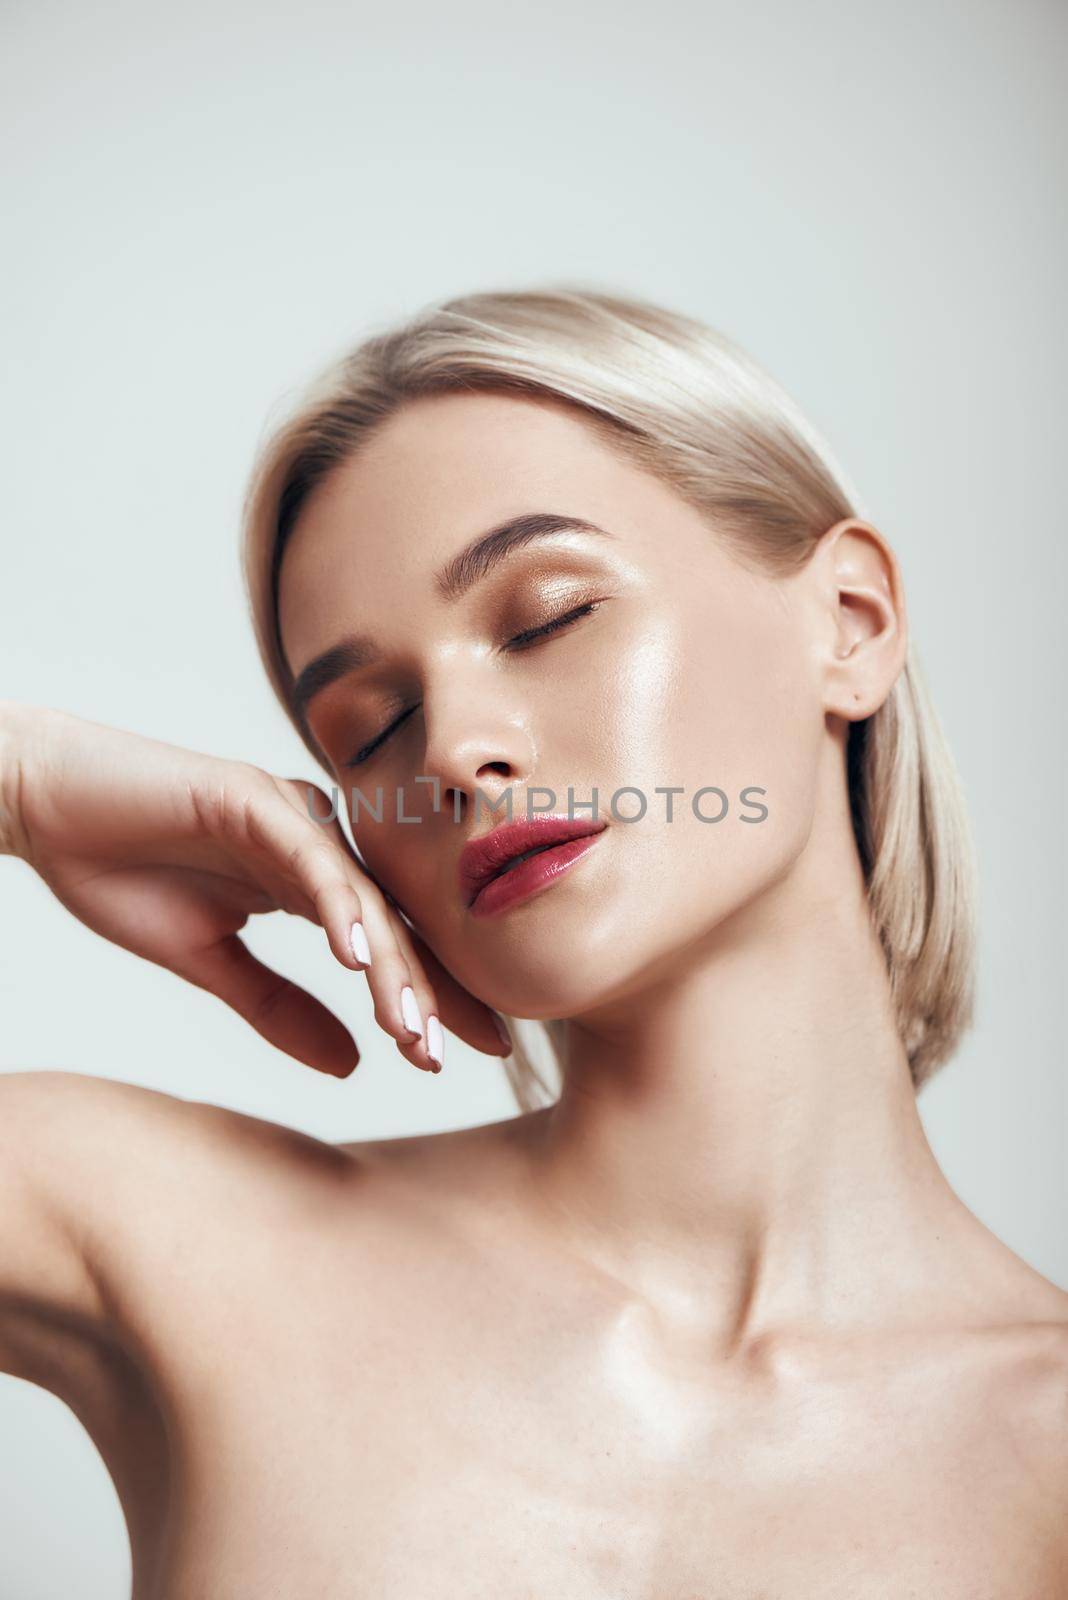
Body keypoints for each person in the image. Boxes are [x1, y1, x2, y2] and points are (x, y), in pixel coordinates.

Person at [1, 286, 1065, 1598]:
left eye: (548, 616)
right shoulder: (185, 1249)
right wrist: (22, 781)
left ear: (848, 624)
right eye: (368, 729)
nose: (451, 748)